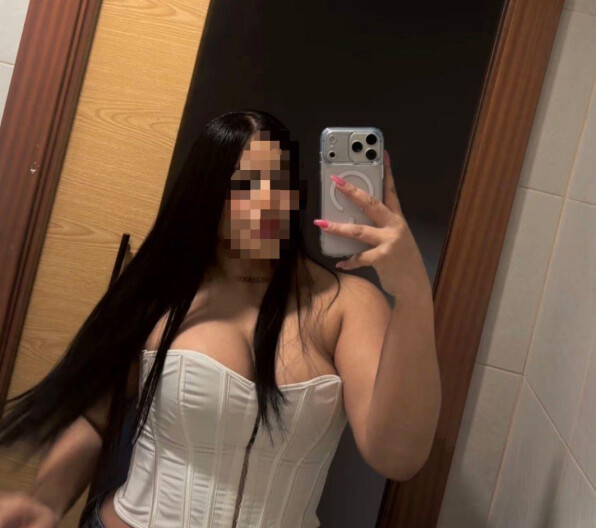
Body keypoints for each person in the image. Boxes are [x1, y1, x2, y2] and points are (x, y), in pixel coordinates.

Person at [0, 110, 440, 527]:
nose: (268, 201)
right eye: (245, 184)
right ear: (206, 196)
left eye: (280, 182)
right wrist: (46, 503)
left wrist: (413, 293)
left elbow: (398, 457)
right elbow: (96, 418)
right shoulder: (162, 295)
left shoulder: (347, 304)